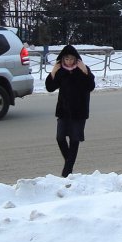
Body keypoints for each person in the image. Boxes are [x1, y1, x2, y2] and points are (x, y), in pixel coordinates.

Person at [45, 44, 95, 177]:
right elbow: (50, 87)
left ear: (76, 59)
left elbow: (91, 86)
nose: (69, 61)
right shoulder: (60, 71)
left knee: (74, 139)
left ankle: (67, 172)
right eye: (66, 59)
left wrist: (85, 72)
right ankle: (69, 163)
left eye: (72, 59)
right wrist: (53, 72)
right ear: (62, 59)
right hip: (63, 110)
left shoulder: (82, 69)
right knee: (60, 138)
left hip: (79, 111)